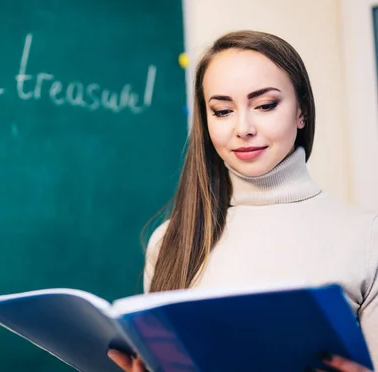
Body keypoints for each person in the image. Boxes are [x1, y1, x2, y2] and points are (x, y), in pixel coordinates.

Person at [108, 30, 378, 372]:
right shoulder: (171, 240)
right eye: (222, 111)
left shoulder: (368, 238)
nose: (243, 127)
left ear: (302, 113)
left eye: (265, 105)